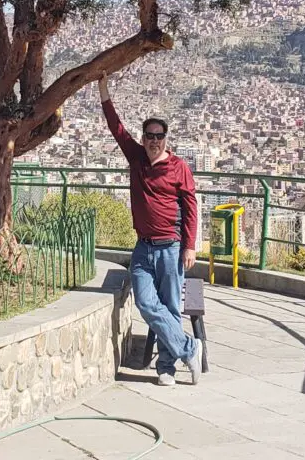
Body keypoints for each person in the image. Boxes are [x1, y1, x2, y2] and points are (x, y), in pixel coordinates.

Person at [98, 72, 201, 387]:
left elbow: (191, 206)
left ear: (166, 139)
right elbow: (115, 126)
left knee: (170, 307)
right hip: (143, 247)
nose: (154, 141)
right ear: (143, 138)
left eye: (159, 136)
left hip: (171, 247)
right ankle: (188, 347)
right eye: (149, 136)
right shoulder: (136, 158)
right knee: (145, 302)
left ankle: (166, 369)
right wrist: (103, 89)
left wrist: (190, 245)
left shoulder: (179, 167)